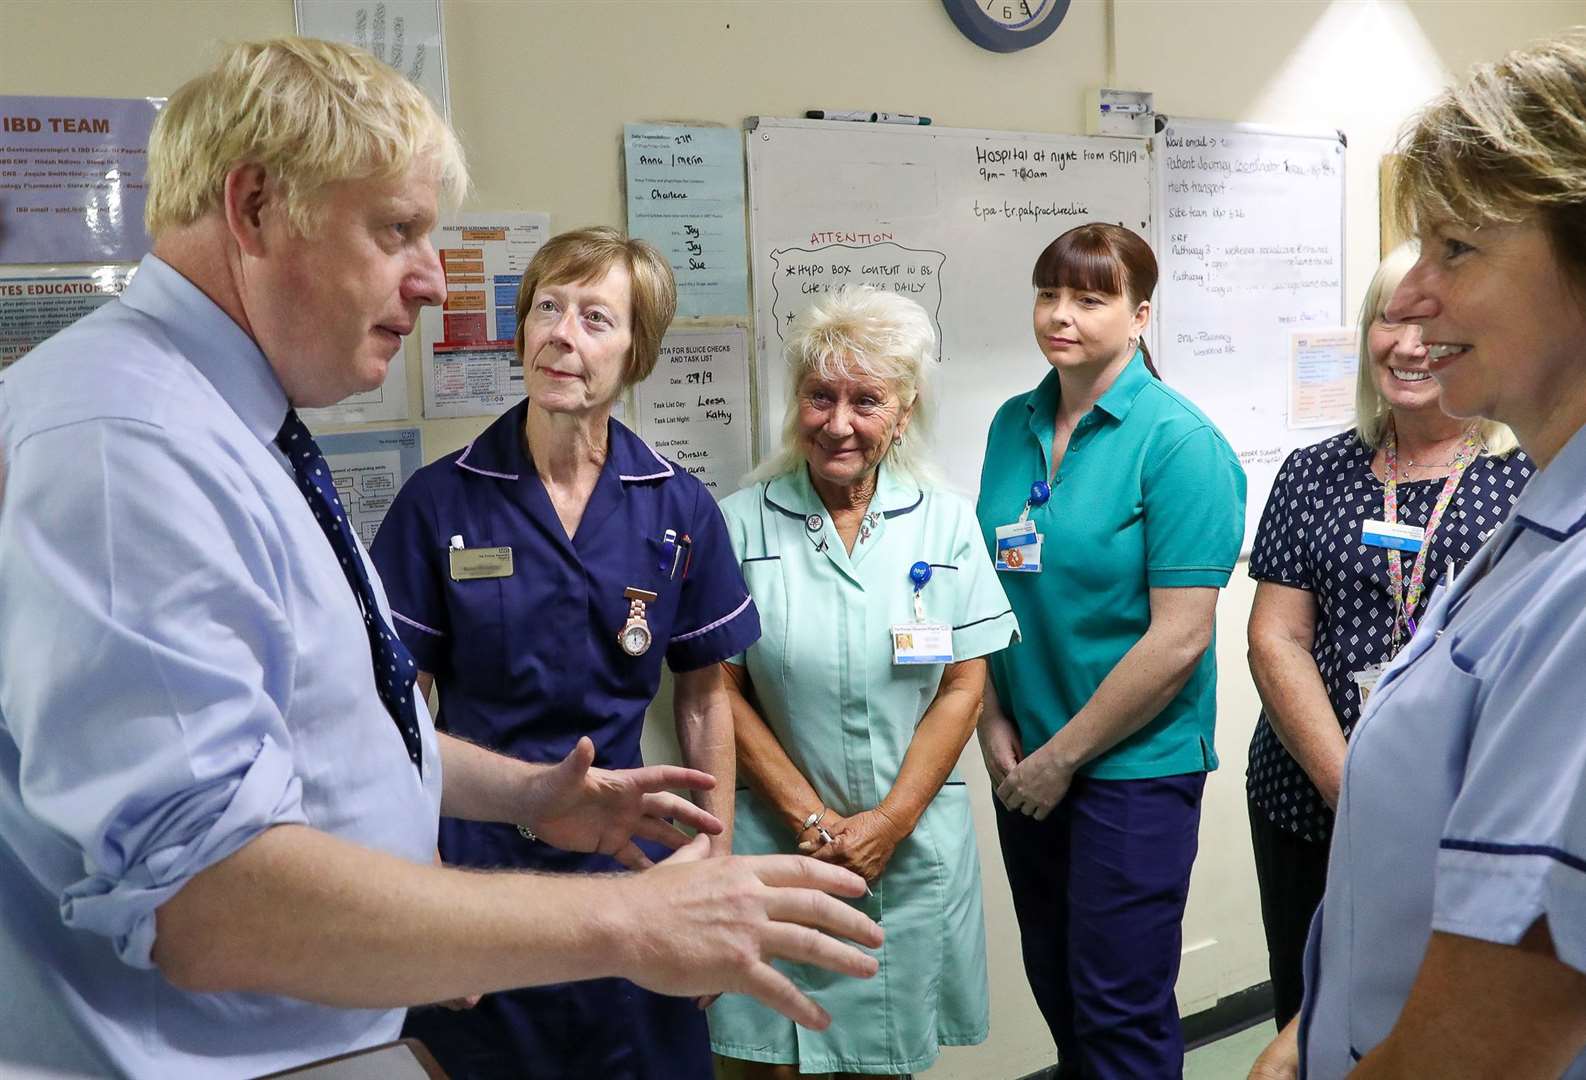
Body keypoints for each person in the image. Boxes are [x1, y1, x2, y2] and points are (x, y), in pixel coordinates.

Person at [0, 38, 881, 1080]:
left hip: (322, 1026)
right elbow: (209, 899)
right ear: (253, 207)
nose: (430, 282)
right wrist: (623, 921)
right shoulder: (125, 446)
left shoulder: (229, 428)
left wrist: (524, 797)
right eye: (397, 231)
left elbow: (336, 720)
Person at [1249, 31, 1586, 1080]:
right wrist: (1309, 1030)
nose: (1413, 299)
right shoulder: (1535, 524)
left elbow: (1484, 1050)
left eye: (1457, 250)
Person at [369, 225, 756, 1079]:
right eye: (547, 308)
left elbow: (703, 697)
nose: (561, 335)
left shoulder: (679, 508)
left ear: (636, 352)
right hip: (477, 871)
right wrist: (422, 880)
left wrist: (712, 861)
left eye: (594, 318)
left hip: (628, 864)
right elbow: (391, 714)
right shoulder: (442, 501)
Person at [708, 287, 1020, 1079]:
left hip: (907, 852)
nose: (838, 422)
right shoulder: (740, 523)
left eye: (865, 400)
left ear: (904, 412)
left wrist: (889, 820)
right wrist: (811, 818)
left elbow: (963, 685)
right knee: (766, 1057)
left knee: (885, 1061)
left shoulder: (945, 523)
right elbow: (719, 690)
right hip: (776, 845)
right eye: (820, 396)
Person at [975, 223, 1246, 1078]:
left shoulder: (1179, 444)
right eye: (1049, 294)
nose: (1062, 316)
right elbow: (985, 590)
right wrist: (992, 727)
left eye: (1090, 300)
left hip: (1132, 770)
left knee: (1118, 1008)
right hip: (1026, 760)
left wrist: (1062, 757)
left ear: (1139, 317)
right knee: (1057, 987)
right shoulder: (1012, 424)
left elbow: (1180, 638)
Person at [1243, 244, 1531, 1027]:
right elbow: (1275, 640)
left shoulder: (1531, 474)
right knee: (1308, 1015)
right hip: (1306, 803)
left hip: (1462, 817)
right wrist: (1354, 788)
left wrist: (1399, 806)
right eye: (1388, 318)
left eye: (1429, 320)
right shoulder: (1313, 472)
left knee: (1435, 1029)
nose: (1407, 344)